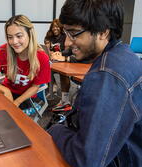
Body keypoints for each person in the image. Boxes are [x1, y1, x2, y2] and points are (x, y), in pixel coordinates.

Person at [48, 0, 142, 166]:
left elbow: (86, 160)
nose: (67, 43)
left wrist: (56, 130)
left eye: (74, 33)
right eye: (66, 33)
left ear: (103, 32)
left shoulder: (106, 76)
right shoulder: (124, 53)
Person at [0, 15, 51, 111]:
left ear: (30, 34)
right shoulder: (3, 51)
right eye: (10, 37)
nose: (14, 42)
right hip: (7, 90)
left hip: (26, 97)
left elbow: (35, 87)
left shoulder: (42, 57)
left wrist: (17, 102)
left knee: (12, 119)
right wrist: (5, 90)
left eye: (19, 36)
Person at [44, 19, 72, 106]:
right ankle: (53, 87)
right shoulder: (50, 36)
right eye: (53, 27)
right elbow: (47, 49)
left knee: (63, 74)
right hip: (54, 60)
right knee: (45, 66)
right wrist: (50, 52)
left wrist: (60, 54)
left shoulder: (64, 36)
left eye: (56, 27)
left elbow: (68, 51)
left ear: (60, 27)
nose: (54, 29)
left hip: (62, 60)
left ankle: (65, 99)